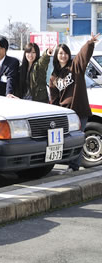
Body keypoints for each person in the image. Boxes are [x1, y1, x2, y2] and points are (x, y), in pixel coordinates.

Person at [49, 33, 99, 172]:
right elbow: (54, 98)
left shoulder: (75, 66)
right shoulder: (53, 77)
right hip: (65, 114)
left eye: (65, 53)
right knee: (66, 141)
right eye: (60, 53)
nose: (63, 55)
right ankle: (66, 164)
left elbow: (83, 55)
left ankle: (74, 167)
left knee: (78, 140)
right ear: (56, 56)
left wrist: (90, 43)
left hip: (80, 110)